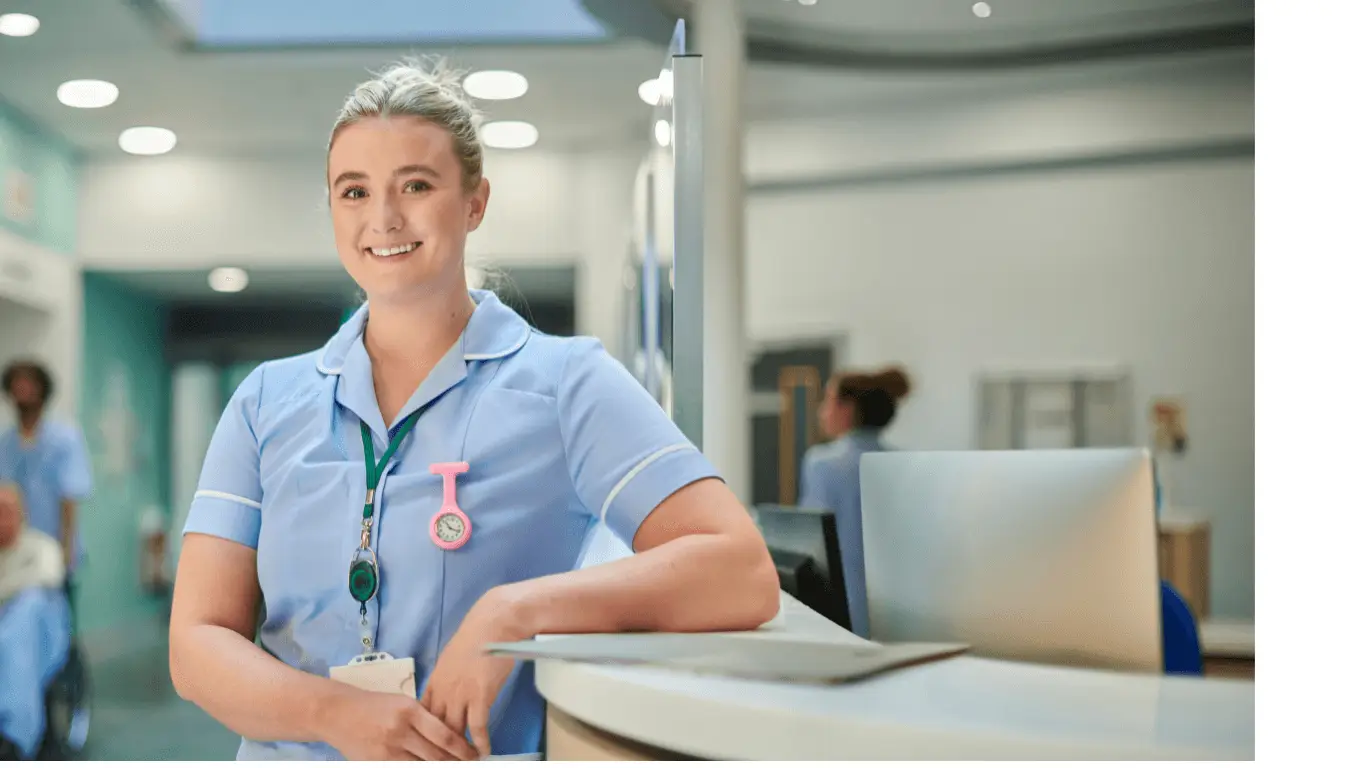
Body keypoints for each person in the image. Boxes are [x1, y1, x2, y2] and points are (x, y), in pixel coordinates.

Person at [168, 60, 780, 762]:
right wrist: (336, 715)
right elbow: (197, 644)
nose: (384, 219)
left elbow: (740, 570)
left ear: (474, 202)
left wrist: (516, 612)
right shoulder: (265, 402)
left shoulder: (565, 383)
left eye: (417, 186)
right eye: (354, 191)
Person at [799, 366, 913, 639]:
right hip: (902, 610)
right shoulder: (904, 464)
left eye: (828, 400)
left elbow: (810, 546)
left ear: (847, 409)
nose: (821, 411)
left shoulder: (822, 463)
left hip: (841, 609)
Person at [0, 360, 94, 590]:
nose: (21, 392)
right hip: (14, 555)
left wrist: (65, 556)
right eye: (16, 386)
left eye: (28, 385)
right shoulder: (6, 443)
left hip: (55, 548)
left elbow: (69, 499)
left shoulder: (64, 439)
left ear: (42, 391)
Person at [0, 484, 72, 761]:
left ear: (22, 513)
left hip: (39, 634)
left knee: (27, 608)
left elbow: (49, 576)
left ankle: (16, 736)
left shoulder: (42, 546)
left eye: (7, 511)